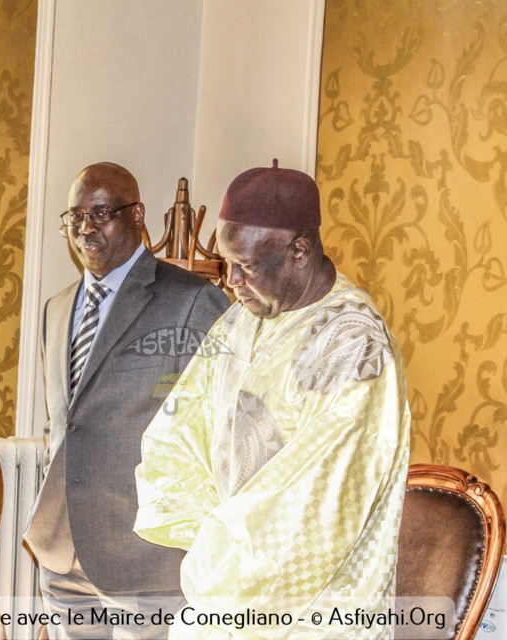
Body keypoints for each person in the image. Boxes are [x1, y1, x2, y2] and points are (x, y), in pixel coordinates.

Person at [134, 161, 411, 639]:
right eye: (227, 265)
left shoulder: (353, 345)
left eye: (245, 267)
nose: (231, 283)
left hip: (315, 611)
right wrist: (214, 543)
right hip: (227, 588)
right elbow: (176, 430)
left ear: (299, 250)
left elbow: (317, 506)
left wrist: (227, 563)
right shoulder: (243, 318)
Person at [23, 162, 230, 639]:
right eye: (75, 215)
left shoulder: (193, 302)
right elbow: (68, 423)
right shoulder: (56, 308)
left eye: (101, 212)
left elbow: (221, 427)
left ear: (137, 215)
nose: (85, 227)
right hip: (62, 547)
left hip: (146, 551)